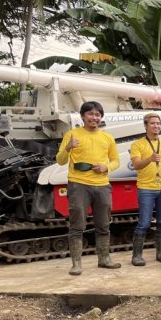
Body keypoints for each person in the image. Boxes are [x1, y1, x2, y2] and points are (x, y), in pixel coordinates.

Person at [55, 101, 121, 275]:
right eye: (90, 114)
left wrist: (106, 167)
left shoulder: (107, 137)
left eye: (98, 114)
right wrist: (68, 148)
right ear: (83, 116)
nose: (94, 117)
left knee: (104, 224)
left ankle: (104, 259)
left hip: (102, 185)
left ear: (101, 117)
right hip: (78, 184)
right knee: (77, 225)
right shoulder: (72, 134)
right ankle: (76, 264)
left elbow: (116, 161)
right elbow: (60, 160)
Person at [129, 112, 161, 266]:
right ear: (146, 126)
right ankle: (136, 256)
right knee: (144, 222)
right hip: (146, 188)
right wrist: (150, 159)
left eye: (158, 123)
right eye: (153, 123)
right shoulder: (137, 145)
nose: (156, 126)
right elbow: (136, 165)